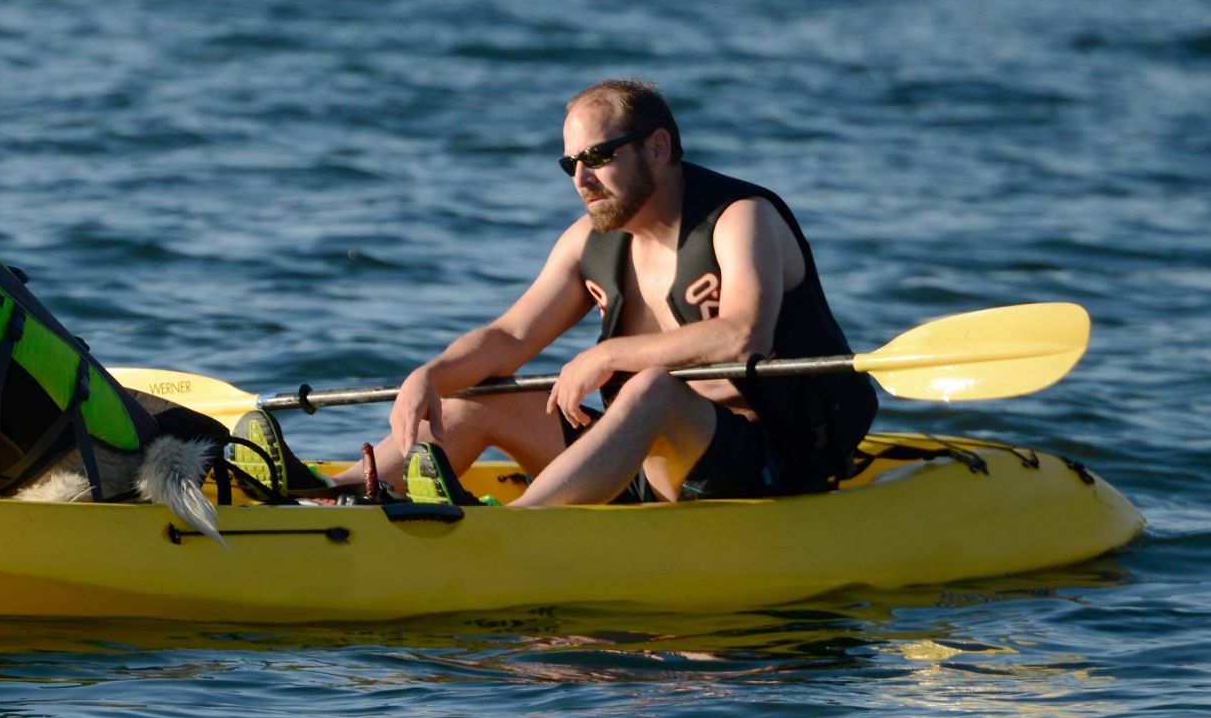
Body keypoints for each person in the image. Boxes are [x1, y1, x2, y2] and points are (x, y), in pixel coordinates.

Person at [332, 80, 875, 506]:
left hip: (772, 463)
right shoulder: (587, 242)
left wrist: (609, 354)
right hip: (639, 460)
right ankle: (340, 493)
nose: (580, 180)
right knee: (480, 391)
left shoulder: (740, 219)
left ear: (657, 148)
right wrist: (429, 375)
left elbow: (743, 334)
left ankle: (514, 533)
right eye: (570, 163)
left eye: (597, 157)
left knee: (651, 389)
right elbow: (510, 335)